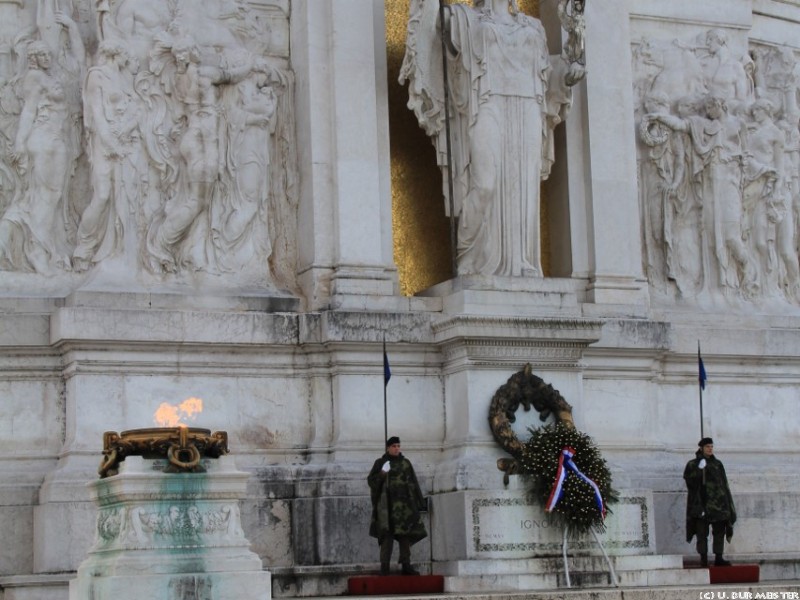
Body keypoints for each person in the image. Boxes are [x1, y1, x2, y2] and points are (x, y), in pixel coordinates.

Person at [399, 0, 584, 278]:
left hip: (528, 107)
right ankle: (471, 258)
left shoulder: (534, 26)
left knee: (524, 183)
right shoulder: (465, 18)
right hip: (486, 102)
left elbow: (547, 73)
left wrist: (568, 73)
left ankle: (523, 263)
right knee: (485, 183)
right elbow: (432, 23)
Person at [367, 436, 427, 576]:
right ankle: (384, 568)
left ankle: (406, 565)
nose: (397, 449)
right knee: (386, 537)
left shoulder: (406, 463)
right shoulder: (381, 462)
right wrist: (382, 473)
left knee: (405, 537)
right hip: (387, 508)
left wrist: (419, 503)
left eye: (398, 446)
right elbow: (372, 482)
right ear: (388, 448)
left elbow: (414, 483)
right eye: (394, 446)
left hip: (405, 508)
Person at [684, 437, 736, 567]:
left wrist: (728, 504)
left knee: (719, 532)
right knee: (702, 533)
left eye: (711, 446)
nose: (710, 449)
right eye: (707, 447)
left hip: (718, 506)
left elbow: (724, 484)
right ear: (701, 448)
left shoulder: (718, 464)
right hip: (702, 505)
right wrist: (699, 470)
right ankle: (704, 558)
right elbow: (690, 483)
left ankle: (719, 557)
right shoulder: (692, 464)